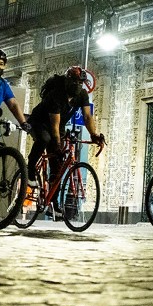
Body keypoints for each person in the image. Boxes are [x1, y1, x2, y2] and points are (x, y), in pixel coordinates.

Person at [25, 66, 105, 205]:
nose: (77, 85)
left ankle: (53, 203)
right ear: (67, 81)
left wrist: (94, 134)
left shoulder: (82, 95)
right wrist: (57, 145)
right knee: (45, 139)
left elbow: (87, 116)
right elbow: (54, 125)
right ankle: (30, 169)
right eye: (74, 82)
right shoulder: (56, 94)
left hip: (59, 125)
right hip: (39, 121)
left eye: (80, 83)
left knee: (58, 167)